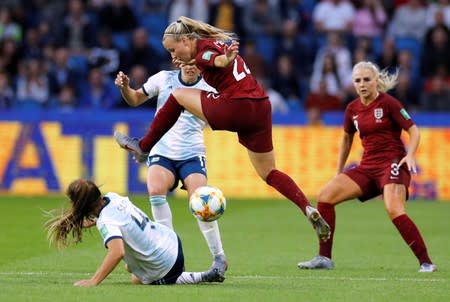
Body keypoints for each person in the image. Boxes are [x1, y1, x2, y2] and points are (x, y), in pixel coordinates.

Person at [113, 16, 331, 249]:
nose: (172, 57)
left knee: (177, 95)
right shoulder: (209, 44)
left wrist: (224, 60)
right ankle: (307, 207)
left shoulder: (202, 53)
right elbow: (212, 59)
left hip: (236, 106)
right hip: (260, 108)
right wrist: (218, 59)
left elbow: (214, 60)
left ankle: (143, 146)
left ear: (186, 40)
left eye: (173, 50)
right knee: (269, 172)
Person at [297, 61, 437, 273]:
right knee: (325, 195)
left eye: (366, 80)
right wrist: (338, 171)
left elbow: (414, 130)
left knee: (393, 208)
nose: (362, 84)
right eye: (358, 81)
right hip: (367, 167)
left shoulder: (389, 103)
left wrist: (410, 155)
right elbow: (346, 140)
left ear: (376, 81)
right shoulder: (352, 109)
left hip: (392, 163)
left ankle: (426, 262)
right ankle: (324, 257)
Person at [114, 64, 228, 275]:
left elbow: (220, 118)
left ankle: (219, 257)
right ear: (178, 61)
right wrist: (125, 88)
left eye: (195, 63)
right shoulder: (163, 78)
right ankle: (171, 257)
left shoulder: (209, 87)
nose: (191, 67)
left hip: (192, 153)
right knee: (156, 191)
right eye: (187, 63)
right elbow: (135, 99)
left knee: (201, 202)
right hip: (162, 150)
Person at [45, 179, 225, 286]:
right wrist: (92, 222)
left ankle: (204, 275)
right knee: (131, 268)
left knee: (137, 279)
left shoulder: (106, 221)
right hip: (171, 240)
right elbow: (121, 218)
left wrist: (94, 281)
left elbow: (117, 252)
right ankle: (170, 269)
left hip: (165, 261)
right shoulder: (113, 197)